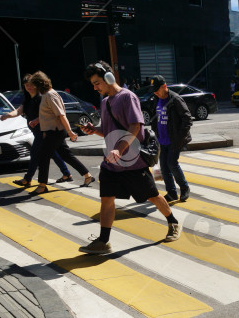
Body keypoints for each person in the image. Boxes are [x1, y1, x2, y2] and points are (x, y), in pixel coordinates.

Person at [78, 61, 181, 254]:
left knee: (153, 196)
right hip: (111, 163)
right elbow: (109, 130)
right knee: (106, 200)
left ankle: (173, 222)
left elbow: (135, 127)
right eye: (93, 84)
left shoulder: (127, 97)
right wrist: (94, 130)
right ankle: (103, 241)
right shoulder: (105, 101)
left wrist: (119, 149)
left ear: (109, 78)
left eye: (97, 82)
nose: (95, 87)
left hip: (132, 162)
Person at [27, 71, 94, 196]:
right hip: (53, 131)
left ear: (39, 84)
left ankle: (42, 185)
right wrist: (37, 121)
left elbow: (61, 115)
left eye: (34, 85)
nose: (32, 88)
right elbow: (49, 114)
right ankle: (88, 175)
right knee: (66, 155)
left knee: (42, 156)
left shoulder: (50, 95)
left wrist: (70, 132)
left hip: (55, 132)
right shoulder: (46, 95)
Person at [3, 74, 74, 187]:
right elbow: (19, 111)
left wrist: (37, 120)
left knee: (35, 153)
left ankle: (28, 179)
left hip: (44, 131)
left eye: (31, 85)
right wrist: (7, 115)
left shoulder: (41, 97)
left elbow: (48, 114)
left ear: (36, 85)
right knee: (54, 154)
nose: (29, 87)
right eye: (26, 85)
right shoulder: (27, 99)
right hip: (38, 132)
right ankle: (68, 174)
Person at [149, 75, 193, 203]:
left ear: (164, 86)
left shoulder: (175, 99)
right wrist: (154, 134)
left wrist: (179, 138)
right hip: (161, 140)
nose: (156, 93)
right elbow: (154, 118)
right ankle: (172, 193)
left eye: (157, 90)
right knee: (164, 167)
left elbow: (187, 119)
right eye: (154, 91)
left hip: (174, 140)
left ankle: (184, 188)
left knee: (172, 164)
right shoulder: (156, 99)